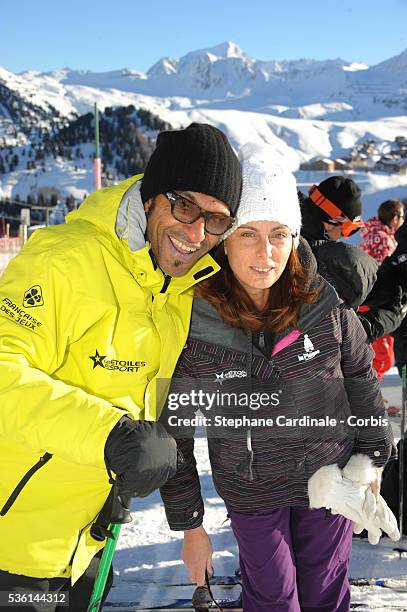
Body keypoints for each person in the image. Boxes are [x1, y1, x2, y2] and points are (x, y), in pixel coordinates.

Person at [0, 123, 242, 610]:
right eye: (185, 206)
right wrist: (110, 435)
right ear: (152, 197)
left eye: (215, 220)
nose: (196, 233)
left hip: (89, 542)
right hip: (16, 542)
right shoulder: (63, 261)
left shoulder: (175, 288)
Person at [160, 144, 396, 612]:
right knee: (273, 599)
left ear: (294, 237)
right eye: (248, 233)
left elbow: (360, 379)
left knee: (326, 595)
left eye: (279, 234)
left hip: (329, 478)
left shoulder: (324, 306)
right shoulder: (196, 322)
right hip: (252, 489)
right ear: (224, 238)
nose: (265, 253)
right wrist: (190, 525)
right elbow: (176, 430)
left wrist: (372, 458)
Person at [359, 199, 405, 379]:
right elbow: (389, 278)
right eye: (402, 217)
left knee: (371, 353)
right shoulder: (385, 241)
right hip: (378, 303)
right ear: (395, 218)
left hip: (363, 298)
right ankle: (367, 393)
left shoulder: (371, 233)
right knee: (383, 357)